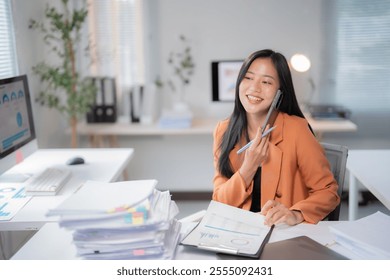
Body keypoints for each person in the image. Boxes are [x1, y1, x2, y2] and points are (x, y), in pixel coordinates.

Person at [212, 49, 340, 226]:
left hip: (282, 233)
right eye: (248, 78)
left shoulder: (296, 129)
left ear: (280, 92)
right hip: (238, 230)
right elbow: (220, 202)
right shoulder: (224, 130)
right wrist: (248, 167)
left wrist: (296, 214)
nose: (254, 88)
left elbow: (328, 192)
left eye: (266, 82)